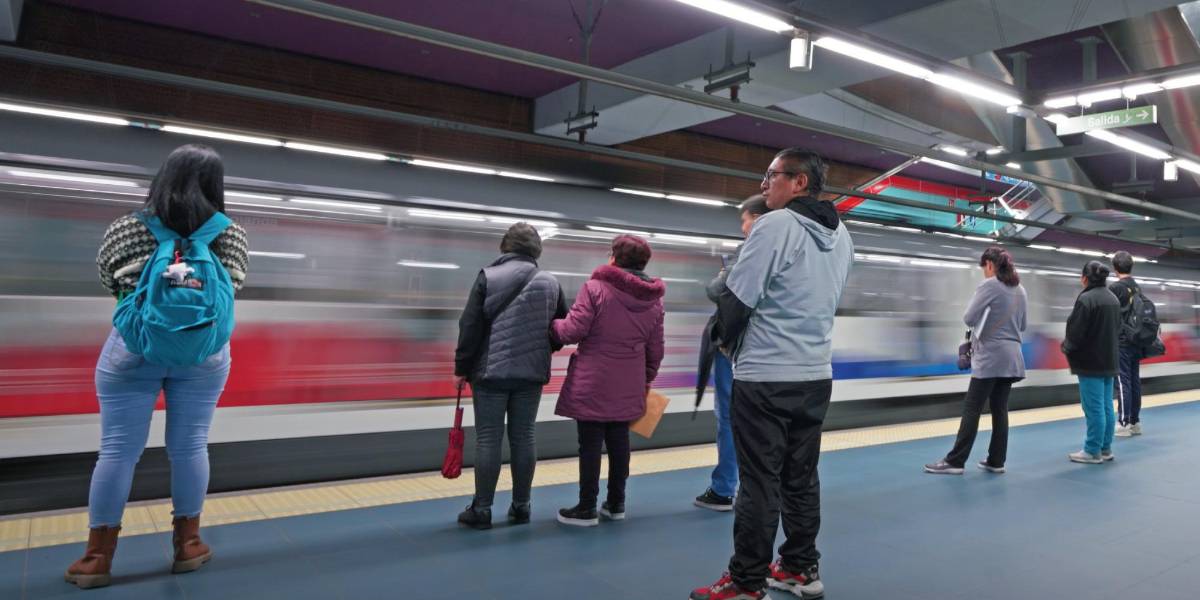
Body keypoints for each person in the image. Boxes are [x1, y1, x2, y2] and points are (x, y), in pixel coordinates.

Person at [66, 144, 250, 589]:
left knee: (116, 451)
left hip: (133, 349)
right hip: (204, 356)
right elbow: (234, 288)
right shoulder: (231, 234)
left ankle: (97, 558)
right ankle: (188, 546)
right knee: (189, 447)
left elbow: (111, 282)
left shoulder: (125, 229)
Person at [692, 148, 853, 600]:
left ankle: (745, 581)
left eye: (771, 176)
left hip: (765, 374)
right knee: (801, 477)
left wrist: (724, 340)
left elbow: (737, 299)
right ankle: (801, 568)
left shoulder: (774, 225)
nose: (765, 185)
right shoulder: (843, 235)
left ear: (799, 182)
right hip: (815, 374)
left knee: (759, 481)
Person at [453, 223, 567, 530]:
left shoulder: (488, 276)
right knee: (524, 436)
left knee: (489, 438)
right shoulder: (550, 282)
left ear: (505, 246)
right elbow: (559, 331)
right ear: (536, 250)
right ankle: (521, 506)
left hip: (490, 373)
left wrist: (461, 368)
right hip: (530, 374)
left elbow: (470, 326)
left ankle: (482, 509)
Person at [551, 234, 666, 527]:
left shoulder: (595, 288)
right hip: (629, 382)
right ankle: (616, 504)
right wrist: (645, 379)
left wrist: (553, 323)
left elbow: (571, 331)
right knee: (619, 441)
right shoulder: (654, 301)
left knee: (590, 444)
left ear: (614, 257)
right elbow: (656, 350)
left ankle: (586, 507)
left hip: (594, 378)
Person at [695, 195, 770, 511]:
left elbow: (716, 291)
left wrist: (724, 273)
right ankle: (755, 489)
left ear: (757, 218)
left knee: (729, 416)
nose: (742, 227)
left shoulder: (752, 250)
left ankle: (724, 488)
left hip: (735, 348)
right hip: (766, 349)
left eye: (744, 219)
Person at [925, 247, 1028, 475]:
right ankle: (996, 461)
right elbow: (1022, 325)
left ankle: (955, 461)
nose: (984, 272)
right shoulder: (1020, 289)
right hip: (1012, 358)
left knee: (972, 408)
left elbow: (969, 317)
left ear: (990, 264)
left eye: (984, 267)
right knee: (1000, 409)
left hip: (990, 357)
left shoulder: (989, 285)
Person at [1062, 261, 1121, 465]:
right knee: (1105, 406)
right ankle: (1105, 448)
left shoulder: (1086, 299)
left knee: (1093, 407)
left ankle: (1092, 450)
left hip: (1090, 362)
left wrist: (1066, 348)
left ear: (1085, 278)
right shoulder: (1113, 298)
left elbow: (1076, 333)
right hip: (1109, 360)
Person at [1109, 251, 1144, 437]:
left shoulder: (1115, 288)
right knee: (1134, 380)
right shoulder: (1137, 287)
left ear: (1115, 269)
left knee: (1123, 382)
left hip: (1121, 341)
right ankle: (1135, 421)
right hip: (1136, 340)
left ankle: (1123, 422)